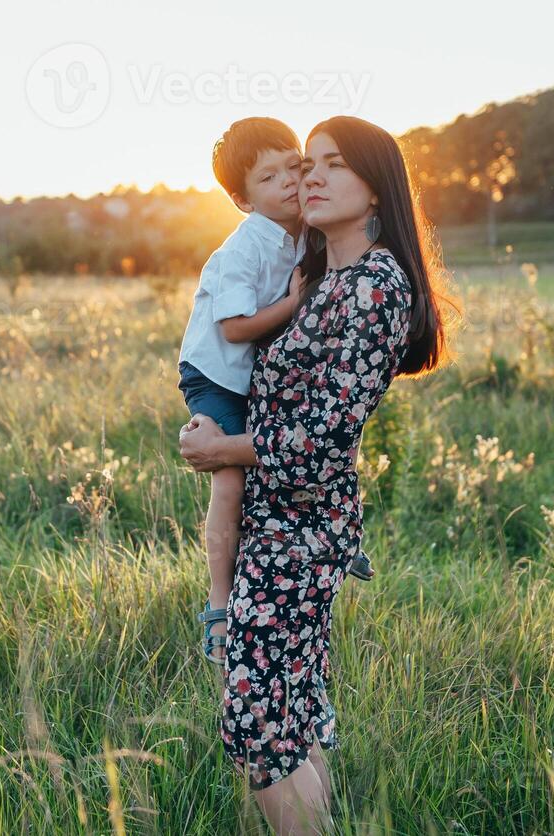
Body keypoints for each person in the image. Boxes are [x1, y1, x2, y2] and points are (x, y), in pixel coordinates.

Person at [180, 116, 454, 834]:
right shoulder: (325, 276)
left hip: (300, 529)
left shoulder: (373, 286)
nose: (312, 178)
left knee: (256, 718)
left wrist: (225, 451)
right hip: (275, 521)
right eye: (309, 165)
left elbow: (321, 437)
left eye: (333, 165)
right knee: (288, 707)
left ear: (374, 190)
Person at [177, 118, 374, 668]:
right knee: (232, 474)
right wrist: (296, 302)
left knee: (325, 433)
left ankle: (337, 538)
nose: (291, 181)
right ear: (242, 200)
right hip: (218, 374)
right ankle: (219, 604)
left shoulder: (309, 231)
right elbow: (235, 328)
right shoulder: (244, 250)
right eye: (270, 177)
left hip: (260, 372)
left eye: (295, 164)